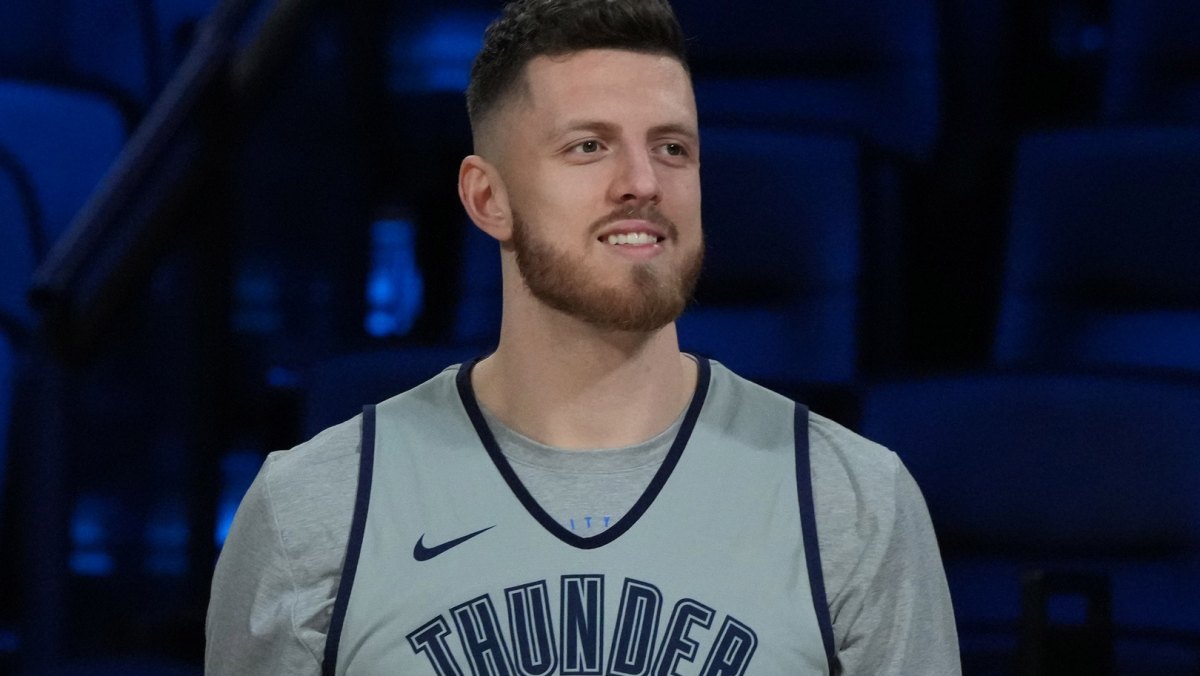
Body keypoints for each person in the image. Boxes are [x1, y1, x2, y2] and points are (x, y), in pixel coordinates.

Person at [205, 0, 960, 673]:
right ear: (486, 198)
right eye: (588, 146)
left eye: (672, 147)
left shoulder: (855, 502)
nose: (643, 181)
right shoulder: (313, 509)